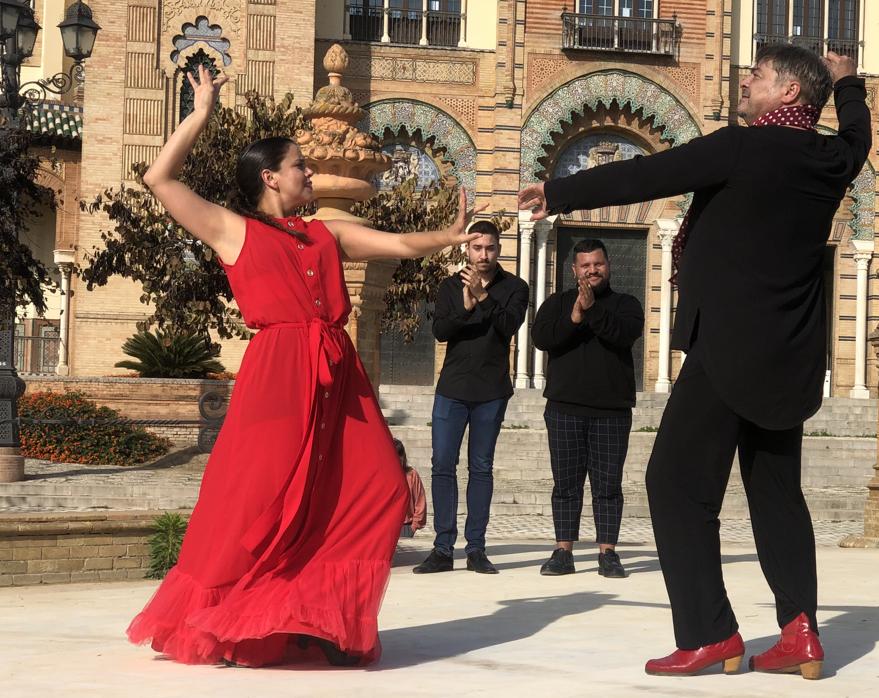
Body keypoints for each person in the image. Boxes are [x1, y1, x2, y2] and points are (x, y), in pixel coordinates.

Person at [518, 45, 870, 680]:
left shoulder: (743, 146)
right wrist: (848, 84)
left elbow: (649, 176)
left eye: (758, 75)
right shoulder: (831, 160)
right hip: (790, 357)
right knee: (776, 494)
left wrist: (559, 189)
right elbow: (858, 136)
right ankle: (801, 634)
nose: (745, 80)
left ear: (788, 94)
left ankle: (711, 634)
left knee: (675, 486)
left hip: (727, 349)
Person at [126, 66, 482, 668]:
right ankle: (241, 619)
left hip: (336, 371)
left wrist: (447, 235)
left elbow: (396, 245)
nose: (309, 173)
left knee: (376, 485)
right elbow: (158, 178)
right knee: (258, 498)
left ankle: (324, 614)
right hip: (278, 373)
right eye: (300, 166)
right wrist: (202, 111)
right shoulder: (233, 230)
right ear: (270, 177)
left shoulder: (326, 233)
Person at [412, 221, 529, 575]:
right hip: (452, 389)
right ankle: (442, 548)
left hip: (491, 391)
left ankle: (476, 548)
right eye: (477, 248)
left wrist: (483, 297)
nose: (483, 255)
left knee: (480, 468)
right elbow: (440, 331)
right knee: (443, 465)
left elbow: (508, 326)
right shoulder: (450, 286)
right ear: (467, 249)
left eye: (490, 248)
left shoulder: (515, 288)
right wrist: (465, 305)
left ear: (499, 249)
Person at [530, 239, 643, 579]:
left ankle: (607, 552)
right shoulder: (557, 303)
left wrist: (592, 310)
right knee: (566, 484)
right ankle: (563, 551)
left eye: (598, 264)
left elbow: (622, 336)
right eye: (585, 265)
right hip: (564, 408)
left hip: (612, 410)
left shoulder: (627, 305)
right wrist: (576, 316)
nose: (592, 270)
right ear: (574, 269)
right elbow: (542, 338)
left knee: (607, 485)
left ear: (608, 265)